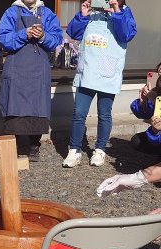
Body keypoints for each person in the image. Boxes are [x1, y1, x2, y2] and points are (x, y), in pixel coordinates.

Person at [62, 0, 137, 168]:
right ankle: (74, 150)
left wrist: (116, 11)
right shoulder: (91, 12)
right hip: (87, 70)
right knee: (79, 113)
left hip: (108, 72)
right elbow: (73, 33)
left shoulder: (124, 12)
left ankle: (100, 149)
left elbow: (127, 35)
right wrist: (83, 14)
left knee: (104, 114)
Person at [0, 0, 63, 162]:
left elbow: (56, 39)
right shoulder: (11, 12)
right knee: (15, 104)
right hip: (16, 67)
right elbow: (3, 38)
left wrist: (43, 36)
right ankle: (19, 144)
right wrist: (23, 34)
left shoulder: (47, 13)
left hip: (38, 68)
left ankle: (34, 145)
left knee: (37, 105)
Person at [129, 62, 161, 154]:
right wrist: (143, 102)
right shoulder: (154, 94)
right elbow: (144, 115)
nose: (159, 76)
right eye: (158, 73)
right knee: (137, 140)